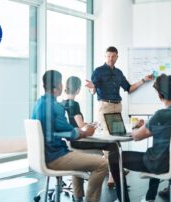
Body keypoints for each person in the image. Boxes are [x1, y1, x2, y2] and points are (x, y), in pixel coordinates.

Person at [108, 74, 171, 202]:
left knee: (113, 157)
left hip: (162, 164)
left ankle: (124, 199)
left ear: (159, 95)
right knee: (157, 150)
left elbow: (137, 136)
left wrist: (136, 127)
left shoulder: (161, 115)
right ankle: (149, 197)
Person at [31, 70, 108, 202]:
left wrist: (77, 130)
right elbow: (72, 135)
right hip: (55, 157)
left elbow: (58, 131)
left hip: (43, 156)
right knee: (102, 164)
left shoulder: (38, 104)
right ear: (58, 86)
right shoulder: (54, 106)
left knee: (78, 155)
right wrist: (86, 132)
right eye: (61, 82)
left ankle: (78, 197)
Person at [61, 76, 119, 189]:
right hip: (79, 142)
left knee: (108, 148)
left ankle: (114, 170)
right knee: (113, 146)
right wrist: (91, 126)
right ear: (78, 90)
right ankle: (114, 174)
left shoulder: (62, 103)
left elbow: (74, 123)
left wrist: (89, 123)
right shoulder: (74, 104)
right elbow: (81, 125)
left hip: (69, 143)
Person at [85, 46, 154, 132]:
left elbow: (129, 88)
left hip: (117, 107)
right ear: (105, 56)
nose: (111, 59)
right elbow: (93, 91)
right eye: (108, 56)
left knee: (118, 134)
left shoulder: (118, 72)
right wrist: (92, 87)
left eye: (113, 56)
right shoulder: (98, 71)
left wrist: (144, 80)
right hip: (105, 107)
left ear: (117, 57)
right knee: (108, 135)